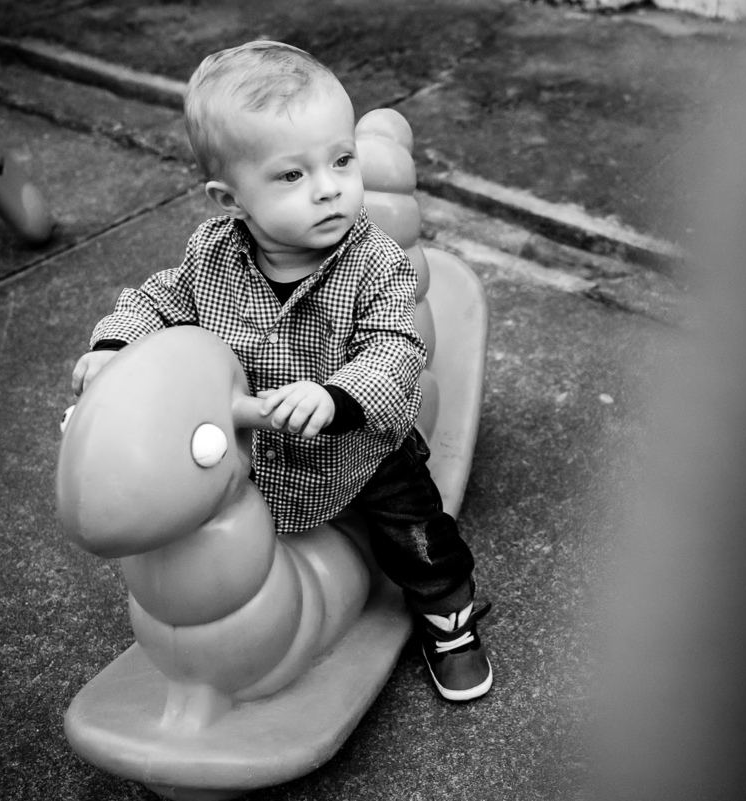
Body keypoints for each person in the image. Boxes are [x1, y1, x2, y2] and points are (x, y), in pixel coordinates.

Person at [70, 40, 491, 702]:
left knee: (415, 533)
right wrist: (116, 346)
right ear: (229, 198)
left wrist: (336, 396)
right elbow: (159, 300)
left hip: (356, 449)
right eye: (292, 175)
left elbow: (396, 347)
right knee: (201, 528)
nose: (329, 188)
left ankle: (451, 620)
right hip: (255, 453)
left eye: (342, 160)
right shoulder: (211, 254)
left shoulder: (375, 262)